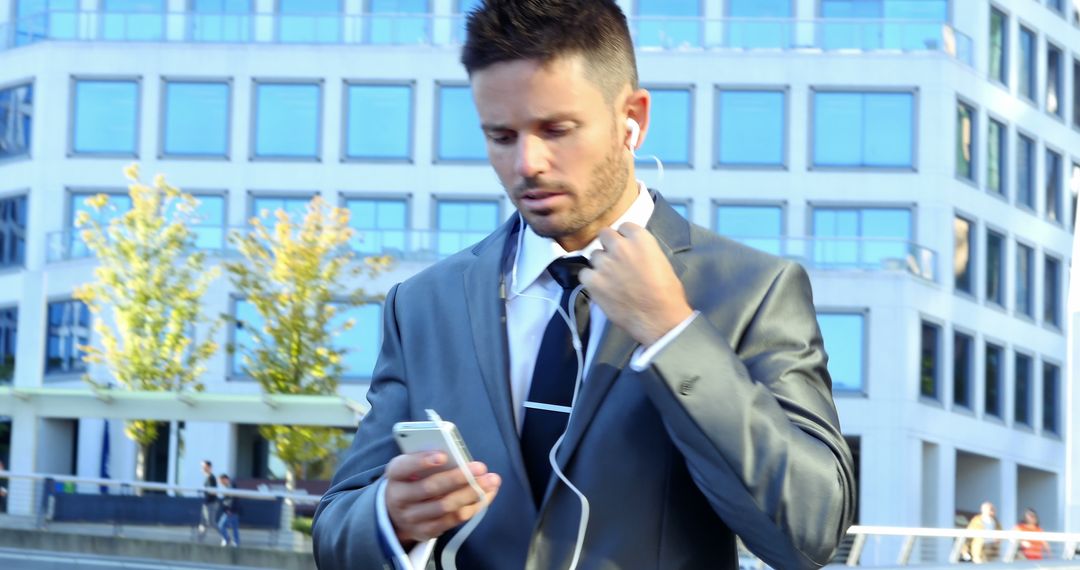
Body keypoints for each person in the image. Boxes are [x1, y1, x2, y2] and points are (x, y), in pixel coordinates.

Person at [312, 1, 855, 568]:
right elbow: (336, 529)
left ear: (633, 120)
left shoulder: (752, 291)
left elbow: (809, 534)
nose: (528, 163)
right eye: (501, 136)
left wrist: (673, 333)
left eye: (556, 129)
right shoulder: (425, 304)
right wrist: (391, 517)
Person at [216, 473, 240, 547]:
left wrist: (229, 509)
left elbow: (233, 499)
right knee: (234, 527)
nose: (221, 483)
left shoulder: (231, 486)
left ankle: (229, 540)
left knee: (221, 526)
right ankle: (235, 542)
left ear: (225, 479)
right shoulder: (229, 486)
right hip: (231, 510)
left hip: (230, 511)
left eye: (221, 481)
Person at [196, 460, 217, 540]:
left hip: (210, 503)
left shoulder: (211, 478)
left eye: (204, 466)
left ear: (209, 467)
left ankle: (226, 538)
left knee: (211, 523)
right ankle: (199, 540)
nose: (202, 468)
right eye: (202, 467)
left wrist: (205, 491)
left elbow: (213, 492)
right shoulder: (207, 477)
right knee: (203, 522)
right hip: (206, 503)